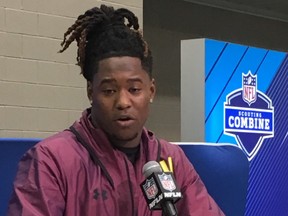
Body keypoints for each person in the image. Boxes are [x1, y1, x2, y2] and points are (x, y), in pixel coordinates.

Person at [8, 5, 224, 216]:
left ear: (151, 91)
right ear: (91, 92)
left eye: (134, 89)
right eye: (109, 90)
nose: (123, 102)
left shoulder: (170, 160)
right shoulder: (51, 161)